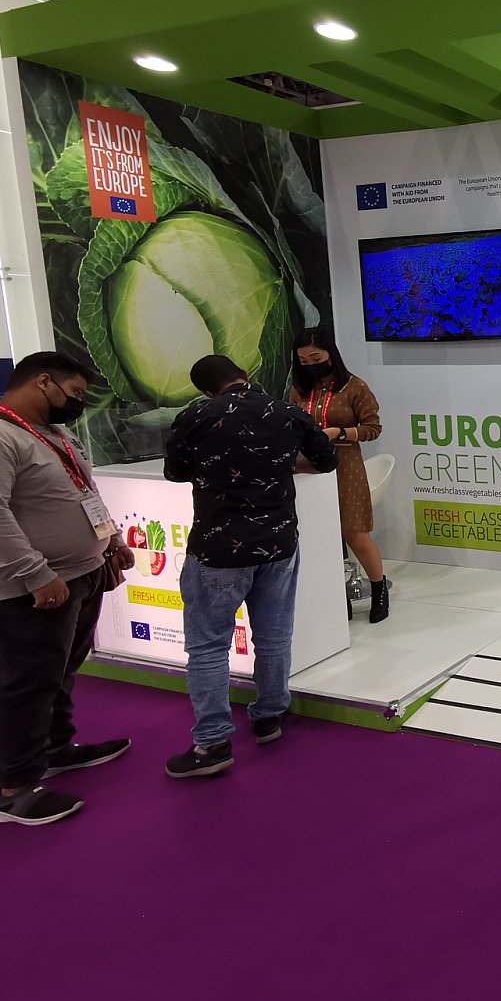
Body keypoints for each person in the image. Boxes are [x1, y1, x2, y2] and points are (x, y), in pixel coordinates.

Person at [0, 351, 135, 826]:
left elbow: (83, 493)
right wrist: (36, 575)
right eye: (75, 392)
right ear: (44, 382)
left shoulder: (53, 434)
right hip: (21, 590)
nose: (79, 402)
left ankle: (55, 749)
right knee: (25, 684)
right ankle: (14, 792)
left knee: (58, 673)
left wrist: (109, 542)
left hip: (79, 576)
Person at [162, 354, 337, 778]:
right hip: (278, 544)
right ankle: (269, 716)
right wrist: (277, 464)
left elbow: (175, 472)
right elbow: (327, 459)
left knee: (208, 646)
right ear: (244, 375)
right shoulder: (286, 411)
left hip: (217, 549)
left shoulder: (196, 416)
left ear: (206, 389)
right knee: (274, 636)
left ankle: (212, 742)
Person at [286, 327, 389, 622]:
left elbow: (373, 428)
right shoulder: (299, 390)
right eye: (303, 361)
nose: (310, 365)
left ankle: (379, 589)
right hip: (308, 468)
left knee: (355, 533)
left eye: (316, 358)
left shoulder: (355, 387)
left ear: (330, 354)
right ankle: (336, 597)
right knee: (321, 534)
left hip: (346, 467)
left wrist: (339, 432)